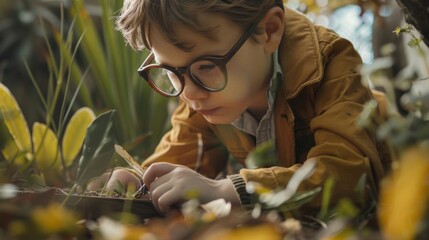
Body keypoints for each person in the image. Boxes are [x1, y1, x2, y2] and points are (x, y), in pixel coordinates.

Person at [89, 0, 387, 214]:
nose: (189, 94)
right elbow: (179, 162)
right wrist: (141, 183)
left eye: (206, 66)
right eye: (170, 71)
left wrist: (231, 190)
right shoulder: (202, 92)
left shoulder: (331, 63)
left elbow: (351, 175)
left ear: (269, 31)